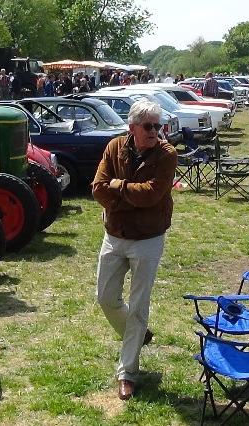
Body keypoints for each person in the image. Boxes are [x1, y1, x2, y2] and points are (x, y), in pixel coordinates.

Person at [91, 100, 177, 401]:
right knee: (105, 297)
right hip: (115, 234)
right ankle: (139, 333)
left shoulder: (167, 154)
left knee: (139, 305)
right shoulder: (114, 147)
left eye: (158, 126)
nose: (154, 131)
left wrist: (118, 187)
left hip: (148, 237)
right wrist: (127, 194)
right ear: (132, 128)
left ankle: (127, 373)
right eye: (148, 126)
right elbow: (98, 188)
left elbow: (152, 195)